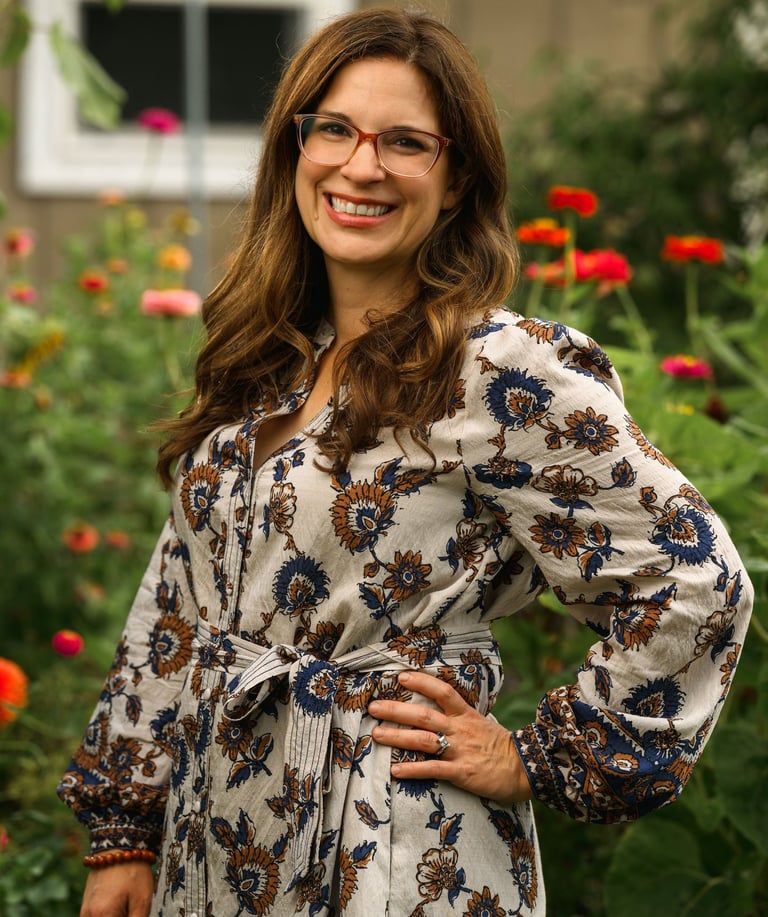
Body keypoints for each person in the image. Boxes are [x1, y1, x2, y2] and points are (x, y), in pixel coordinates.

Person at [59, 7, 753, 916]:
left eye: (405, 142)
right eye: (335, 130)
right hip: (219, 834)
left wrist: (537, 755)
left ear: (457, 177)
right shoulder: (269, 360)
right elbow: (180, 602)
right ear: (294, 148)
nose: (361, 166)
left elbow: (696, 577)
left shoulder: (501, 372)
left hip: (396, 847)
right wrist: (126, 827)